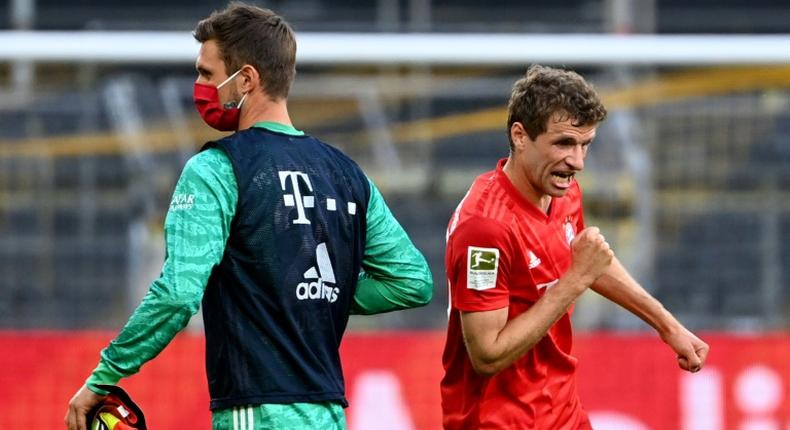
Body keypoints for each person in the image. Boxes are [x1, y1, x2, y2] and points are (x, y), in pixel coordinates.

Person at [65, 3, 433, 429]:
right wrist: (304, 294)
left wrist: (105, 375)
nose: (199, 86)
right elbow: (411, 281)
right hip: (329, 414)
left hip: (256, 412)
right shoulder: (346, 173)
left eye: (206, 73)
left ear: (246, 79)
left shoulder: (217, 170)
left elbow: (179, 294)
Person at [440, 65, 709, 429]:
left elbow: (589, 261)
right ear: (520, 135)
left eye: (586, 144)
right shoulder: (485, 228)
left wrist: (667, 325)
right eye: (564, 143)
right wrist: (573, 282)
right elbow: (486, 356)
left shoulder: (561, 189)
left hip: (561, 411)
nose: (578, 162)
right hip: (499, 420)